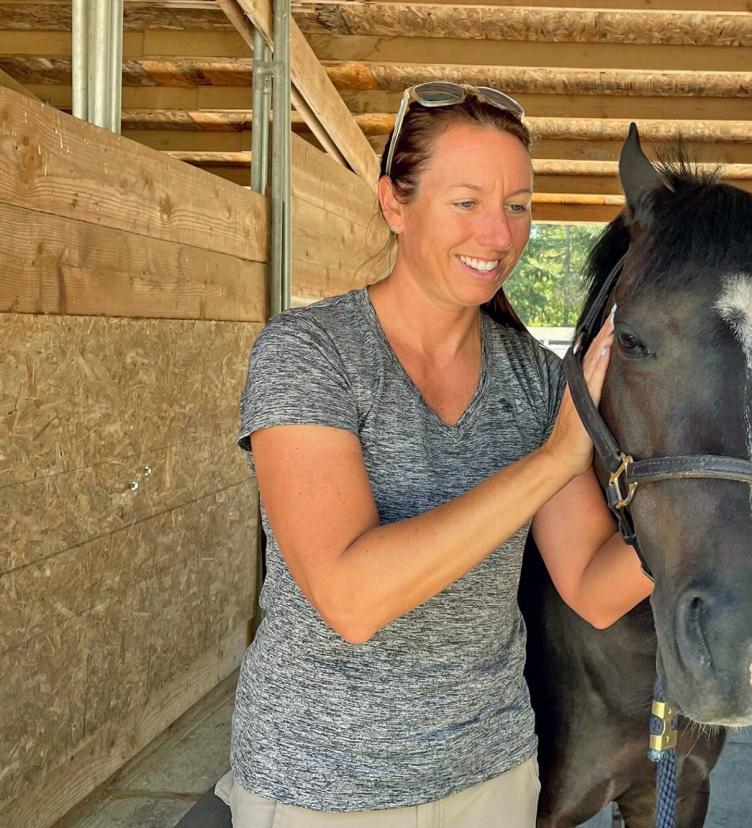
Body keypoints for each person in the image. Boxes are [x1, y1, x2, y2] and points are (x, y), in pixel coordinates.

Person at [215, 82, 654, 827]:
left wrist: (709, 499)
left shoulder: (535, 379)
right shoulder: (311, 352)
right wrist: (549, 463)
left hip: (493, 779)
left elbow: (591, 584)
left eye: (517, 205)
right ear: (394, 204)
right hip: (320, 786)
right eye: (466, 202)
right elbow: (350, 600)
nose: (498, 234)